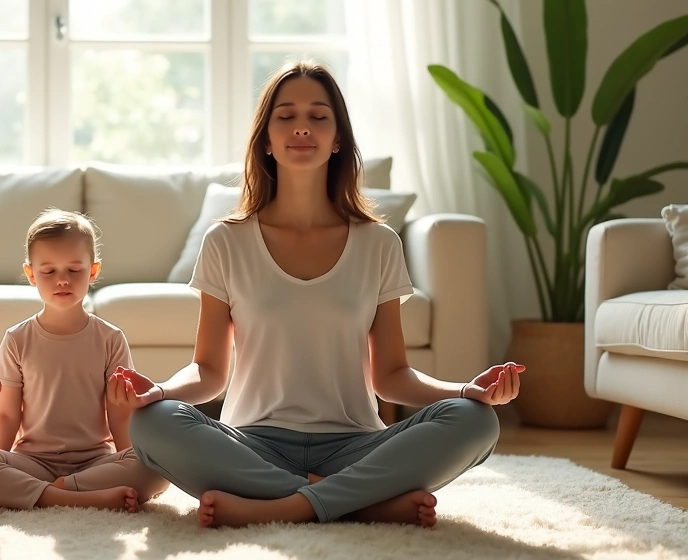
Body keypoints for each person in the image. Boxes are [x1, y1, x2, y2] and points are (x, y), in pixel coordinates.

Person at [106, 61, 525, 529]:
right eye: (285, 116)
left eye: (318, 116)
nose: (302, 127)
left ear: (338, 137)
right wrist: (158, 392)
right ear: (266, 139)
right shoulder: (226, 241)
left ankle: (286, 505)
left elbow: (391, 376)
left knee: (477, 422)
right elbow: (209, 372)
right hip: (251, 444)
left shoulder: (379, 243)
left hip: (355, 444)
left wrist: (468, 390)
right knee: (151, 423)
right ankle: (363, 504)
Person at [0, 209, 170, 512]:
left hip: (95, 461)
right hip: (33, 462)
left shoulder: (110, 338)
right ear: (31, 274)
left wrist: (127, 460)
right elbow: (6, 415)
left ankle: (59, 491)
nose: (62, 280)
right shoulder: (17, 338)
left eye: (74, 270)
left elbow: (119, 414)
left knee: (159, 463)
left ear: (93, 272)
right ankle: (68, 496)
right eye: (49, 271)